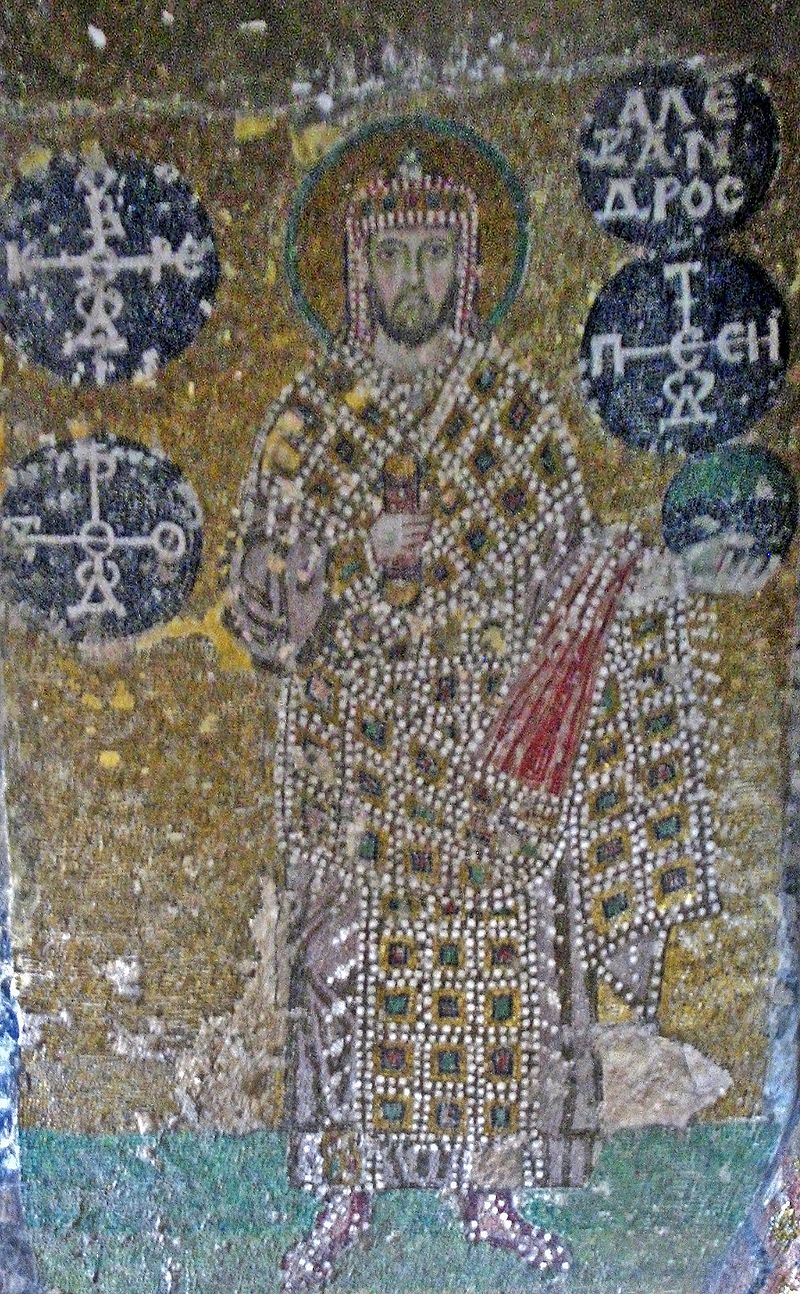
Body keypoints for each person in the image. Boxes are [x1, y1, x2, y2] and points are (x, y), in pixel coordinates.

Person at [230, 140, 761, 1292]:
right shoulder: (308, 419)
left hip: (486, 760)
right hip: (352, 764)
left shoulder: (512, 413)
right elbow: (260, 607)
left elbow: (557, 569)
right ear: (357, 268)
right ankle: (344, 1195)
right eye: (392, 255)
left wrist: (617, 580)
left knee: (498, 970)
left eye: (433, 254)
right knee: (341, 977)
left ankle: (492, 1190)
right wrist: (344, 552)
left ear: (467, 268)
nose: (411, 278)